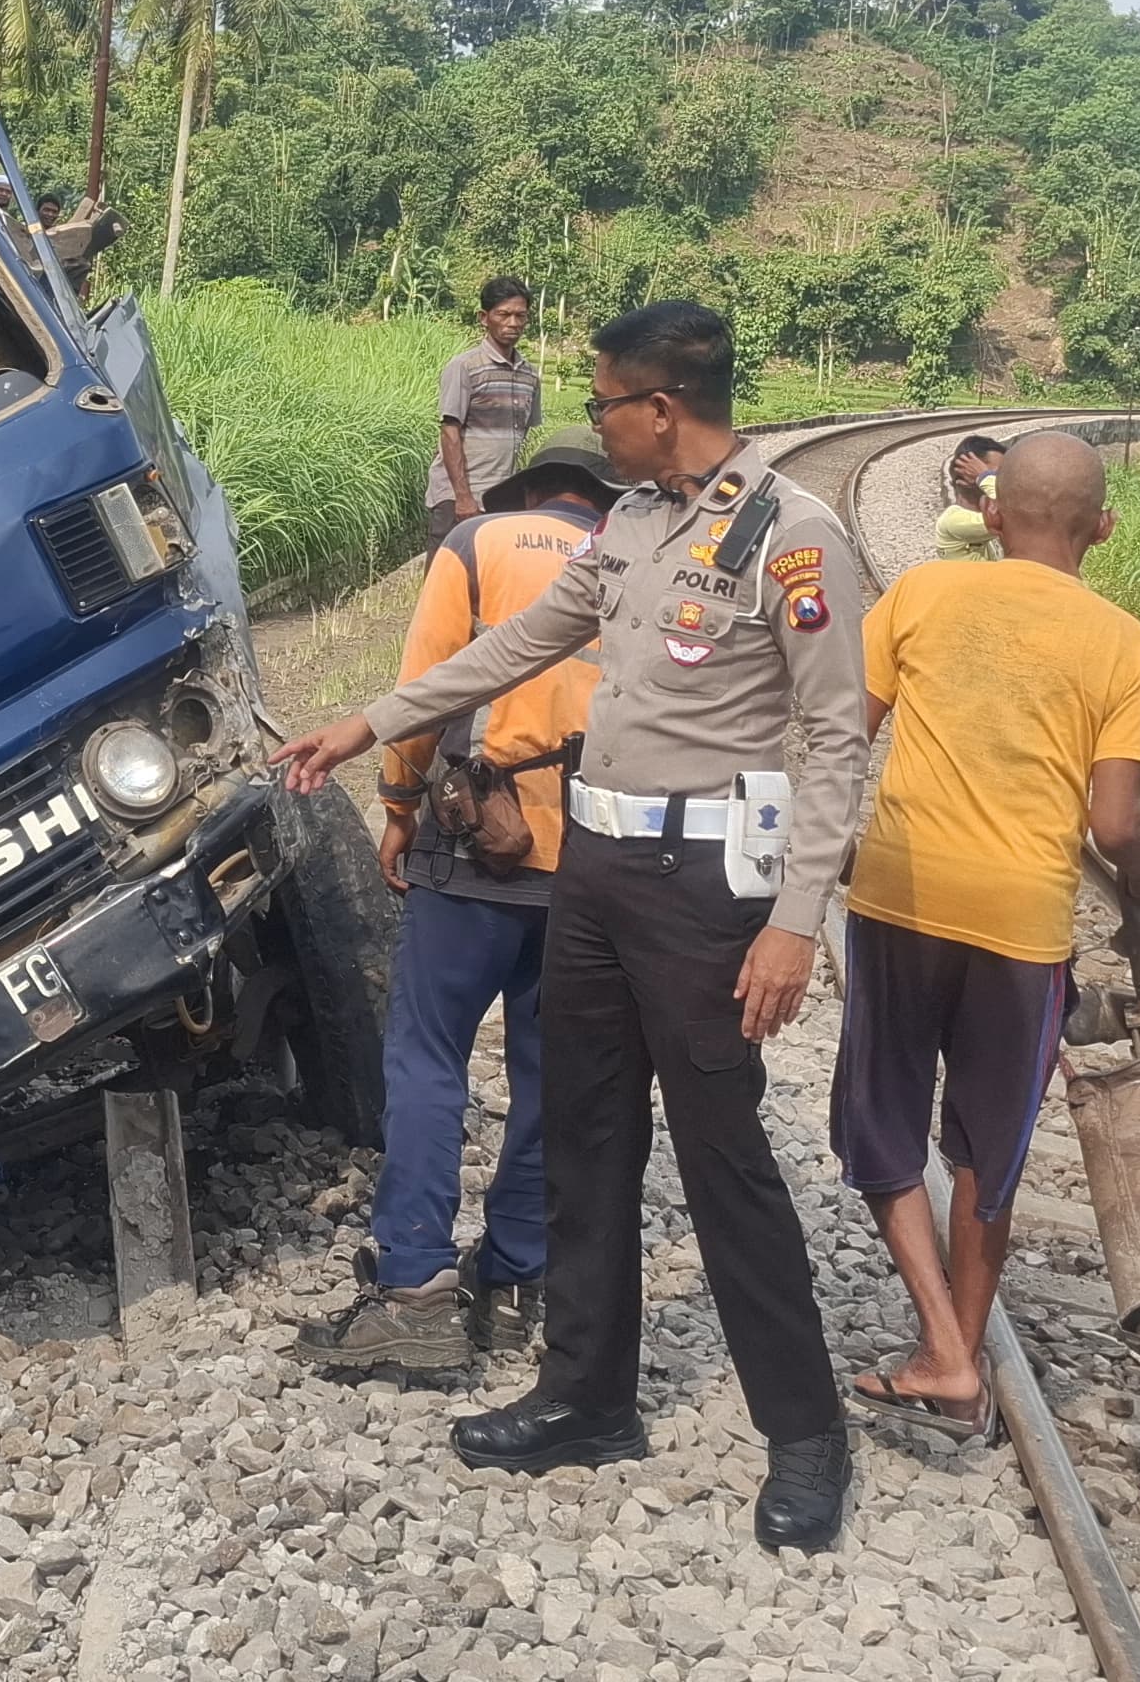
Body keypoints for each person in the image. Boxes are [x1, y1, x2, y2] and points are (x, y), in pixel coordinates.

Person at [277, 299, 872, 1552]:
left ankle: (806, 1433)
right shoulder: (637, 523)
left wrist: (796, 924)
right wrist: (366, 725)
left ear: (661, 408)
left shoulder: (790, 537)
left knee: (724, 1159)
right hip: (594, 870)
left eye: (603, 403)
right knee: (590, 1136)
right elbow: (520, 642)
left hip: (707, 891)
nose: (590, 422)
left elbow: (833, 739)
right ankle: (586, 1393)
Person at [834, 432, 1140, 1441]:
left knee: (880, 1125)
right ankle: (956, 1346)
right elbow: (1115, 828)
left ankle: (942, 1348)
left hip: (899, 896)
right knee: (986, 1148)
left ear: (989, 515)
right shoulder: (1124, 643)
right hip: (1022, 927)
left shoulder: (924, 595)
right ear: (1102, 528)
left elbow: (841, 728)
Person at [299, 438, 623, 1376]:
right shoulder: (631, 551)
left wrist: (398, 811)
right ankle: (521, 1279)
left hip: (477, 846)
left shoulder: (478, 543)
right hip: (596, 856)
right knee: (550, 1069)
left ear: (526, 494)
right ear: (590, 500)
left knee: (430, 1055)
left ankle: (417, 1289)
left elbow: (425, 687)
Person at [427, 277, 543, 540]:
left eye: (520, 316)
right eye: (503, 314)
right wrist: (463, 497)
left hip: (501, 497)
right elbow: (449, 432)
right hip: (459, 498)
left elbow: (522, 435)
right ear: (484, 317)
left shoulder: (529, 375)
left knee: (489, 577)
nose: (513, 323)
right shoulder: (464, 367)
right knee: (446, 577)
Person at [34, 191, 119, 302]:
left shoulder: (60, 235)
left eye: (54, 212)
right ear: (37, 211)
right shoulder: (30, 232)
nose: (50, 215)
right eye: (46, 210)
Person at [934, 433, 1007, 561]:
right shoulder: (952, 521)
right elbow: (1011, 517)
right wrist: (984, 476)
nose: (1005, 479)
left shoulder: (982, 525)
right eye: (997, 474)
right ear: (969, 476)